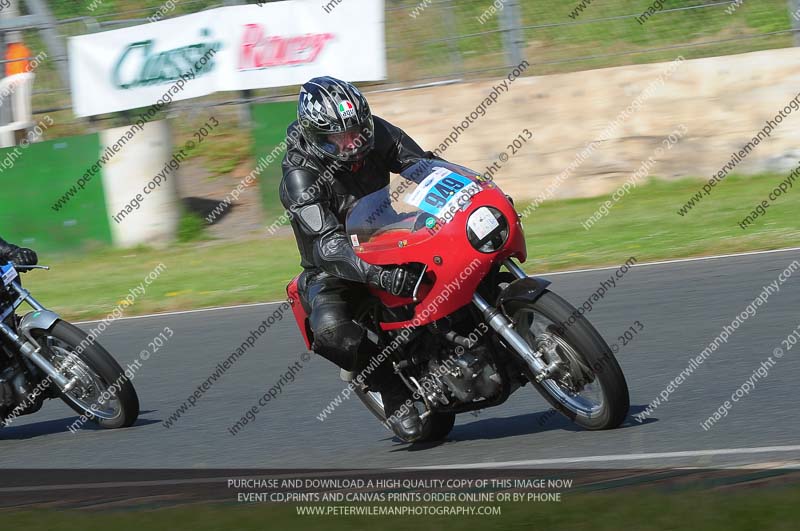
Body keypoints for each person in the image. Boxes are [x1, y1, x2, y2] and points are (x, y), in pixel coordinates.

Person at [280, 76, 442, 441]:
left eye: (356, 130)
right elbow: (327, 244)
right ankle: (394, 394)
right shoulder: (299, 177)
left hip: (391, 233)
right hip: (336, 265)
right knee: (330, 330)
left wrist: (470, 195)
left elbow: (425, 167)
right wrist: (379, 277)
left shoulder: (375, 133)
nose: (352, 142)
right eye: (338, 137)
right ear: (315, 137)